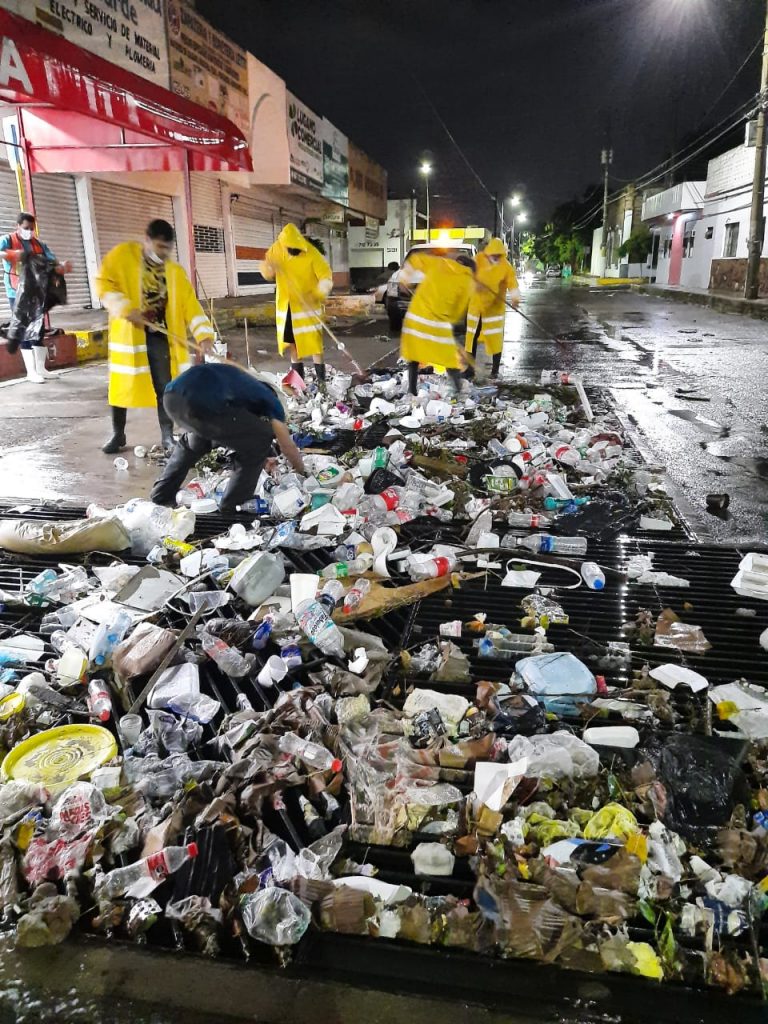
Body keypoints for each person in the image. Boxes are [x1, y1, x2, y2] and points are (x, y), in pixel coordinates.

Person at [95, 219, 215, 454]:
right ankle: (117, 435)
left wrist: (204, 335)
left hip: (162, 335)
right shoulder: (123, 257)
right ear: (147, 240)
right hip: (131, 336)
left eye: (167, 249)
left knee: (165, 386)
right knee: (120, 386)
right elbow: (104, 284)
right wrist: (126, 308)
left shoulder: (175, 273)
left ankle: (167, 436)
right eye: (159, 247)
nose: (163, 253)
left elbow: (191, 306)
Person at [151, 362, 305, 511]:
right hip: (201, 403)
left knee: (198, 439)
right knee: (260, 440)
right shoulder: (272, 401)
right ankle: (234, 507)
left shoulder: (242, 384)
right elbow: (287, 446)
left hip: (171, 398)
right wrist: (301, 471)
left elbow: (234, 428)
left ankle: (161, 495)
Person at [1, 211, 72, 384]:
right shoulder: (8, 240)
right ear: (18, 226)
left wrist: (60, 267)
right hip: (17, 292)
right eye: (26, 228)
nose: (29, 231)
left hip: (38, 293)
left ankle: (41, 368)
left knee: (38, 329)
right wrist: (13, 255)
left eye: (32, 228)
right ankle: (31, 372)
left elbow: (52, 262)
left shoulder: (39, 244)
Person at [260, 223, 333, 385]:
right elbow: (266, 271)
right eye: (290, 248)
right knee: (293, 345)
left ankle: (321, 383)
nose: (294, 251)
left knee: (314, 345)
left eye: (296, 248)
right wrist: (269, 268)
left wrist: (317, 294)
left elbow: (326, 277)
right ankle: (298, 381)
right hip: (287, 308)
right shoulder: (276, 249)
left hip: (309, 308)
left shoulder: (311, 253)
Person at [399, 252, 476, 396]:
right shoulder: (467, 281)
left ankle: (412, 391)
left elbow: (416, 259)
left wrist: (405, 278)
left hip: (416, 317)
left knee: (414, 355)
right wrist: (449, 320)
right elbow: (459, 309)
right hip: (439, 323)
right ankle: (458, 391)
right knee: (449, 358)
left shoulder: (440, 264)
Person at [465, 237, 520, 379]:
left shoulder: (506, 266)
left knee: (496, 339)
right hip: (476, 307)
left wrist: (515, 299)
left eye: (497, 255)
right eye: (492, 254)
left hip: (494, 310)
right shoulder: (478, 260)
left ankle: (495, 371)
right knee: (471, 338)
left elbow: (513, 283)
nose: (494, 257)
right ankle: (469, 369)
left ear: (501, 254)